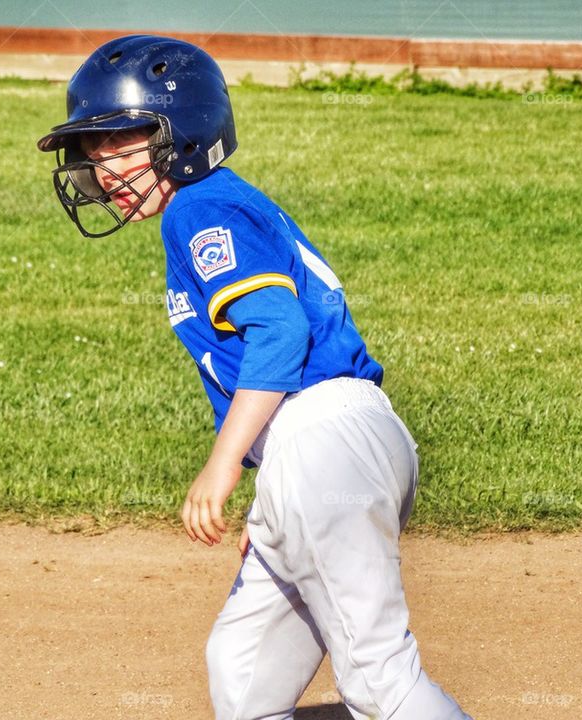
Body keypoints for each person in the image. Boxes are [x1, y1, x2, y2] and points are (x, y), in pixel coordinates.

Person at [37, 34, 472, 720]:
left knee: (379, 680)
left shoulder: (199, 208)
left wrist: (226, 464)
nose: (104, 172)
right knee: (243, 671)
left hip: (324, 437)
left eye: (119, 145)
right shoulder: (217, 204)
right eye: (93, 156)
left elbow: (280, 329)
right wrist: (279, 490)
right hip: (326, 445)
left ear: (181, 135)